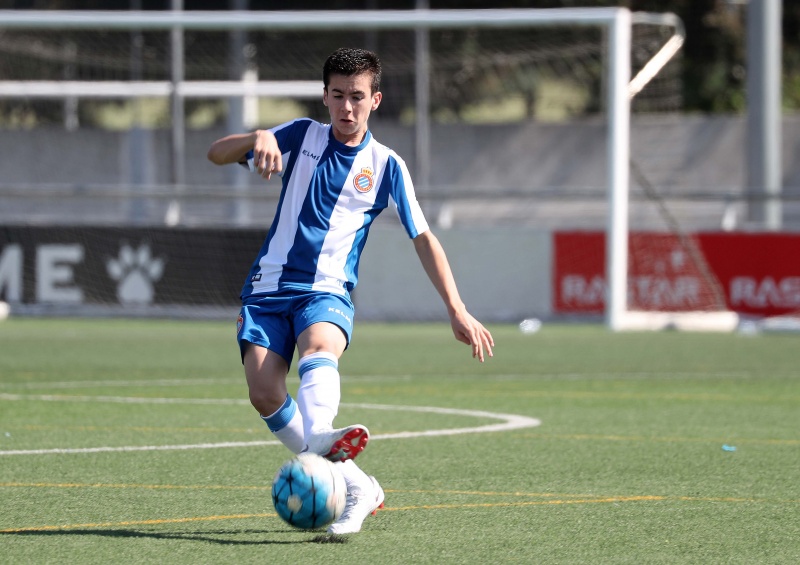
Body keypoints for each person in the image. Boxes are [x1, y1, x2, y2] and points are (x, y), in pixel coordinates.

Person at [207, 47, 494, 535]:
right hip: (267, 288)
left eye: (357, 96)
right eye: (337, 95)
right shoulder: (300, 135)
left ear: (375, 100)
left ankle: (321, 434)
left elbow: (424, 238)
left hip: (326, 290)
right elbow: (217, 154)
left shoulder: (386, 165)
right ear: (324, 96)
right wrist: (257, 137)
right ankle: (358, 485)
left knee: (319, 346)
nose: (346, 107)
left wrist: (457, 308)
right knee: (264, 392)